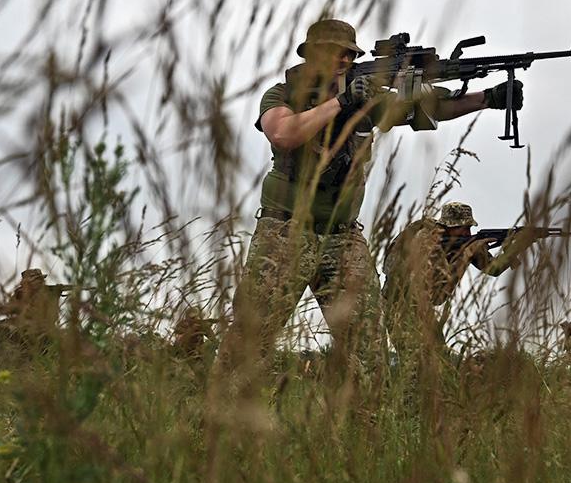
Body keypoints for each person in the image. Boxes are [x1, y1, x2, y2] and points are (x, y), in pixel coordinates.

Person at [218, 19, 523, 385]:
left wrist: (486, 99)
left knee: (369, 353)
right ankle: (215, 427)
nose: (343, 60)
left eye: (349, 54)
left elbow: (429, 107)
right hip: (286, 231)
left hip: (344, 238)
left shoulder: (369, 101)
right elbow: (284, 133)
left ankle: (362, 429)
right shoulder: (283, 95)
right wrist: (342, 102)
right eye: (334, 52)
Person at [381, 202, 536, 360]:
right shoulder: (427, 240)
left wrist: (515, 247)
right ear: (450, 226)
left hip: (422, 310)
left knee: (440, 363)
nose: (468, 233)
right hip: (399, 308)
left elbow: (493, 269)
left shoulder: (462, 242)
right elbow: (437, 296)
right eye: (464, 228)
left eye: (470, 228)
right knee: (417, 364)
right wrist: (466, 255)